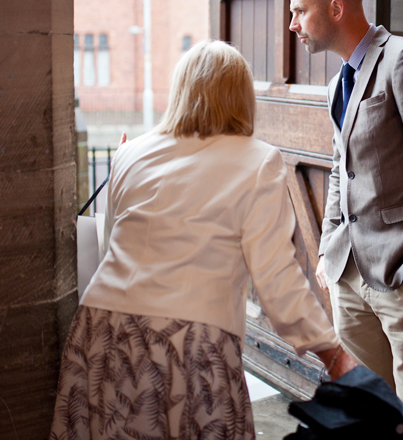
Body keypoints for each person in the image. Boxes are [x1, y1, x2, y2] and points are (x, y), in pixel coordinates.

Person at [50, 41, 355, 440]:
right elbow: (276, 276)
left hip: (101, 329)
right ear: (241, 97)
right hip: (190, 342)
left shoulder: (130, 153)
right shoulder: (258, 160)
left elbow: (112, 245)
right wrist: (331, 351)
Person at [289, 0, 403, 430]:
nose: (293, 25)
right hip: (348, 277)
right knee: (375, 415)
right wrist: (328, 247)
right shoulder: (337, 85)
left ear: (336, 8)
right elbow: (338, 172)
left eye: (299, 12)